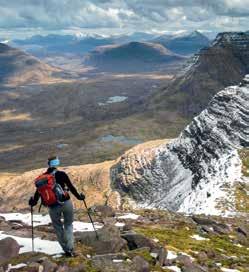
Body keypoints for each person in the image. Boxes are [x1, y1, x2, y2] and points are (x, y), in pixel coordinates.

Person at [29, 156, 85, 257]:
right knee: (68, 224)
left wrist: (32, 202)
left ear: (49, 164)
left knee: (58, 227)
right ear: (57, 163)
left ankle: (65, 249)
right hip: (66, 203)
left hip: (52, 206)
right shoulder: (62, 174)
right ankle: (70, 247)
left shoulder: (42, 179)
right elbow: (71, 187)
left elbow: (37, 195)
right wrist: (79, 197)